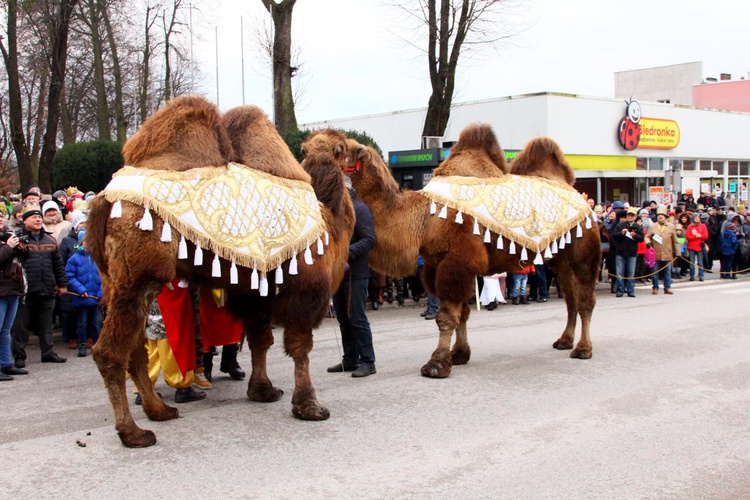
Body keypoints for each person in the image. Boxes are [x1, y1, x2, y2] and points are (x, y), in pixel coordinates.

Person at [328, 176, 377, 378]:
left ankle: (368, 361)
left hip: (356, 274)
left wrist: (345, 252)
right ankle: (350, 359)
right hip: (340, 273)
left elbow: (369, 240)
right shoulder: (339, 212)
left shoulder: (360, 209)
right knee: (343, 318)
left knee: (357, 318)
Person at [11, 204, 68, 367]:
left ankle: (48, 352)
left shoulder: (50, 240)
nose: (37, 220)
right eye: (33, 217)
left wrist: (62, 284)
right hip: (24, 291)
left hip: (47, 289)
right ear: (25, 220)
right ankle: (19, 356)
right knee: (20, 326)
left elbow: (58, 265)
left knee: (46, 324)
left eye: (38, 217)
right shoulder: (17, 239)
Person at [64, 229, 103, 357]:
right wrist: (81, 290)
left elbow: (105, 276)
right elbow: (70, 276)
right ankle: (82, 345)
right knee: (82, 322)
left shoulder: (99, 258)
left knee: (96, 322)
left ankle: (97, 345)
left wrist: (100, 292)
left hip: (96, 297)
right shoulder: (74, 259)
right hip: (82, 297)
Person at [0, 223, 27, 380]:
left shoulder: (6, 238)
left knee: (5, 331)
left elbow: (23, 261)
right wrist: (9, 247)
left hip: (13, 289)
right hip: (1, 292)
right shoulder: (6, 243)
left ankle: (6, 364)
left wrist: (22, 248)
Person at [645, 206, 680, 294]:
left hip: (668, 253)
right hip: (655, 253)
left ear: (665, 217)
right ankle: (655, 287)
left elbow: (675, 241)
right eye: (658, 215)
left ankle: (667, 287)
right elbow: (647, 237)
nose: (660, 217)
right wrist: (648, 243)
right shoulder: (652, 226)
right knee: (655, 272)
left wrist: (678, 252)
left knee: (667, 272)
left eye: (662, 215)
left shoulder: (671, 227)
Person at [612, 206, 644, 297]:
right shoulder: (620, 225)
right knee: (619, 273)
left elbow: (641, 239)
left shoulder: (638, 227)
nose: (630, 217)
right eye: (629, 215)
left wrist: (635, 236)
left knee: (631, 273)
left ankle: (630, 291)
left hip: (632, 253)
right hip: (620, 252)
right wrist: (621, 233)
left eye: (632, 215)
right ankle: (620, 290)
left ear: (635, 216)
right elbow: (614, 236)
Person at [685, 213, 709, 282]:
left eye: (698, 218)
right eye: (695, 218)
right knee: (691, 262)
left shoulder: (703, 226)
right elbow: (688, 236)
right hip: (692, 246)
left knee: (700, 262)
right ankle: (692, 276)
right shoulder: (690, 226)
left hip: (700, 246)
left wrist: (700, 236)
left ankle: (701, 276)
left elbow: (706, 236)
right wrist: (695, 236)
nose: (697, 219)